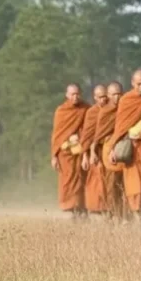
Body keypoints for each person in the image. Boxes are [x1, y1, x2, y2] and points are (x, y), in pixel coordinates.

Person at [106, 69, 141, 219]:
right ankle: (138, 217)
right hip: (133, 150)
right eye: (138, 84)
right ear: (132, 83)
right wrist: (113, 149)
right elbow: (120, 127)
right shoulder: (126, 100)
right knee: (134, 186)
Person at [50, 83, 89, 218]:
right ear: (67, 95)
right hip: (65, 154)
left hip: (81, 150)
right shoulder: (61, 111)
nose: (75, 97)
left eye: (77, 94)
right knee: (68, 180)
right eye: (72, 94)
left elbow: (88, 129)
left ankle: (81, 209)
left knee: (81, 180)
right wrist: (54, 156)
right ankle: (72, 209)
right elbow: (57, 134)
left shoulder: (86, 108)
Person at [92, 82, 126, 220]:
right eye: (113, 94)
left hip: (125, 150)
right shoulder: (105, 111)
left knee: (125, 185)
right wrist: (94, 152)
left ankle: (124, 215)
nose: (117, 97)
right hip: (108, 151)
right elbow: (98, 135)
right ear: (108, 95)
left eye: (119, 93)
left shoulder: (127, 108)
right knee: (111, 185)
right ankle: (112, 213)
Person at [80, 84, 108, 215]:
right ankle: (96, 208)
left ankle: (110, 208)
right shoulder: (91, 112)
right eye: (100, 97)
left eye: (105, 96)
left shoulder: (112, 110)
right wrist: (85, 156)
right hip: (94, 153)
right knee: (95, 181)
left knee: (109, 180)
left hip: (108, 149)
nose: (103, 100)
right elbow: (86, 135)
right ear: (95, 97)